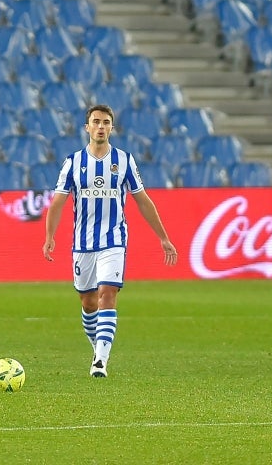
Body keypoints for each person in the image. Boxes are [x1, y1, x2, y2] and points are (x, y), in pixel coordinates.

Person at [43, 104, 178, 378]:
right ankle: (98, 348)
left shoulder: (125, 161)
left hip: (114, 240)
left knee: (108, 294)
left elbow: (143, 200)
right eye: (96, 122)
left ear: (112, 128)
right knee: (88, 302)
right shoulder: (73, 162)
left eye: (106, 122)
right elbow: (57, 201)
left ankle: (101, 361)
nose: (101, 126)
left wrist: (163, 237)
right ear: (87, 127)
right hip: (83, 243)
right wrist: (49, 236)